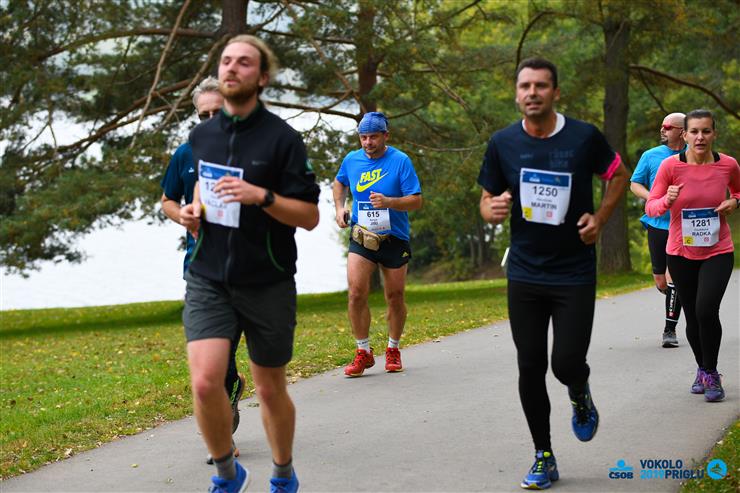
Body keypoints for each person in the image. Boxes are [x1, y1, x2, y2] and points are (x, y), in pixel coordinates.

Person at [477, 58, 629, 490]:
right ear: (516, 94)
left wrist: (600, 218)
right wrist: (491, 209)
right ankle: (543, 455)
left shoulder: (583, 137)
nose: (532, 93)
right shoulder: (503, 142)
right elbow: (486, 200)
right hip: (525, 271)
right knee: (530, 366)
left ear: (555, 92)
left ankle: (579, 390)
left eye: (541, 86)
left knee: (565, 362)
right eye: (525, 86)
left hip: (574, 271)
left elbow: (618, 174)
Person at [179, 35, 320, 493]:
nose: (231, 68)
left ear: (261, 77)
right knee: (205, 382)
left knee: (269, 388)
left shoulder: (282, 139)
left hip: (267, 279)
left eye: (243, 62)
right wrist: (193, 210)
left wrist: (261, 196)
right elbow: (202, 187)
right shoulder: (202, 136)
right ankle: (227, 475)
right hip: (208, 276)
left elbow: (310, 216)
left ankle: (283, 474)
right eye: (226, 61)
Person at [159, 77, 245, 463]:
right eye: (203, 115)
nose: (210, 121)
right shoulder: (185, 154)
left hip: (247, 270)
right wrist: (183, 215)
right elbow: (167, 199)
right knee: (211, 360)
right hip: (201, 270)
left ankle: (233, 386)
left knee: (227, 357)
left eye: (217, 113)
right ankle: (223, 439)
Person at [645, 109, 739, 403]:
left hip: (718, 250)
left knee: (706, 310)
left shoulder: (728, 164)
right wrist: (666, 200)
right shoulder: (670, 167)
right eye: (694, 131)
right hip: (680, 252)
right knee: (693, 317)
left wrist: (734, 202)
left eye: (706, 131)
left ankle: (711, 372)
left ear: (714, 134)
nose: (700, 137)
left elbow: (739, 191)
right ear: (684, 135)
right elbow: (651, 207)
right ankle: (703, 368)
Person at [332, 112, 422, 377]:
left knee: (395, 296)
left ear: (386, 136)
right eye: (363, 137)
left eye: (373, 137)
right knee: (356, 293)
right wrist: (340, 207)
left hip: (394, 238)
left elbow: (416, 200)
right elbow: (339, 183)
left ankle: (393, 348)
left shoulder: (400, 161)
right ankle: (363, 351)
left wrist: (390, 202)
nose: (368, 142)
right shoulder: (352, 160)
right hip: (362, 236)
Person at [630, 113, 686, 348]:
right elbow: (634, 183)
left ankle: (669, 330)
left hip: (682, 225)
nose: (662, 129)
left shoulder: (694, 155)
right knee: (662, 281)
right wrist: (652, 197)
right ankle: (677, 295)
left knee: (674, 277)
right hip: (657, 223)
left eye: (667, 126)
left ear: (682, 131)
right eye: (662, 126)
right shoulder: (650, 155)